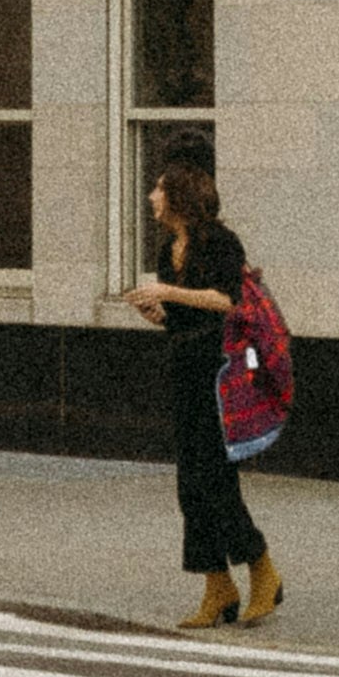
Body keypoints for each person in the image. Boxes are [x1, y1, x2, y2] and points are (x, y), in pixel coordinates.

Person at [123, 160, 278, 629]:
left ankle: (262, 569)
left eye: (158, 188)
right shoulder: (168, 246)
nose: (151, 196)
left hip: (220, 373)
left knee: (215, 480)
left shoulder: (219, 242)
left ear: (179, 198)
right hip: (184, 369)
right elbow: (183, 315)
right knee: (190, 485)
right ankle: (217, 586)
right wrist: (157, 313)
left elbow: (225, 300)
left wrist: (168, 290)